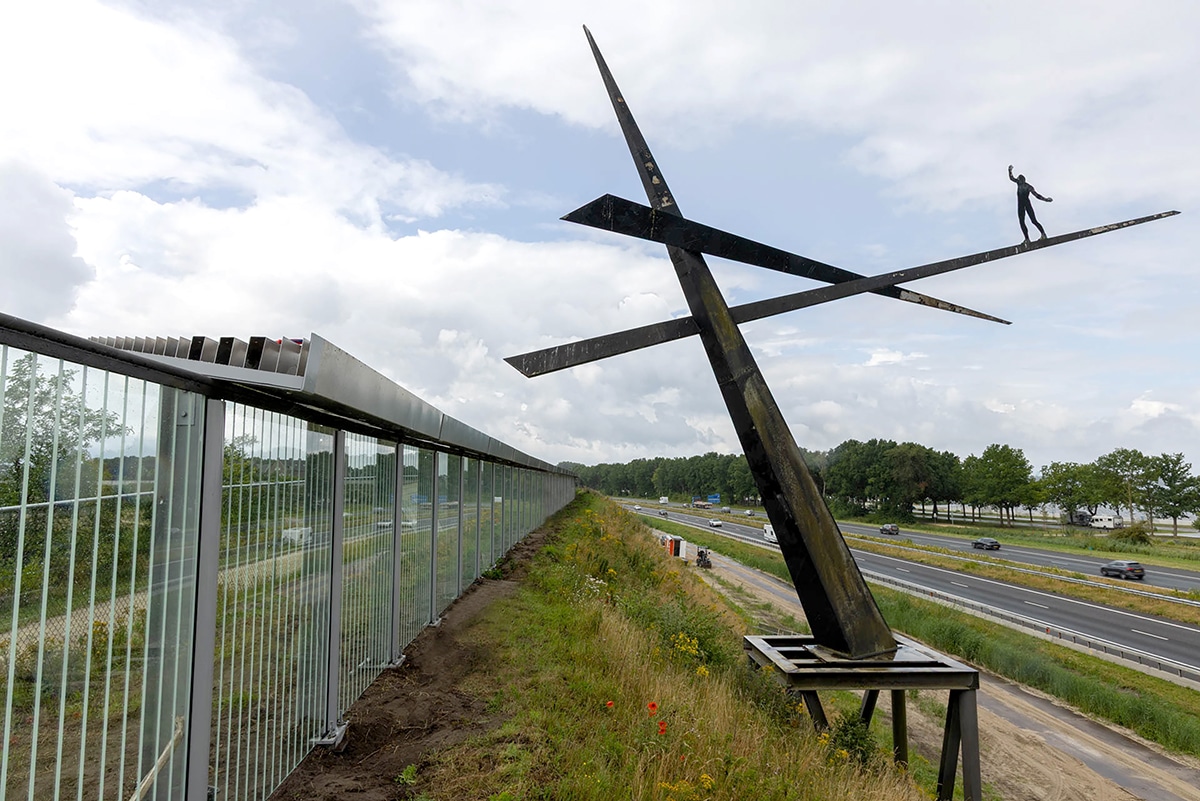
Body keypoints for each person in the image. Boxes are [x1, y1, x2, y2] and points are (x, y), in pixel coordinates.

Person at [1008, 165, 1052, 243]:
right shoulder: (1025, 185)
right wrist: (1010, 171)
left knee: (1032, 221)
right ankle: (1028, 238)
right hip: (1023, 205)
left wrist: (1045, 199)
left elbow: (1037, 195)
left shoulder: (1026, 186)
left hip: (1024, 204)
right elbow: (1012, 178)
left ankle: (1040, 235)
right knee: (1024, 221)